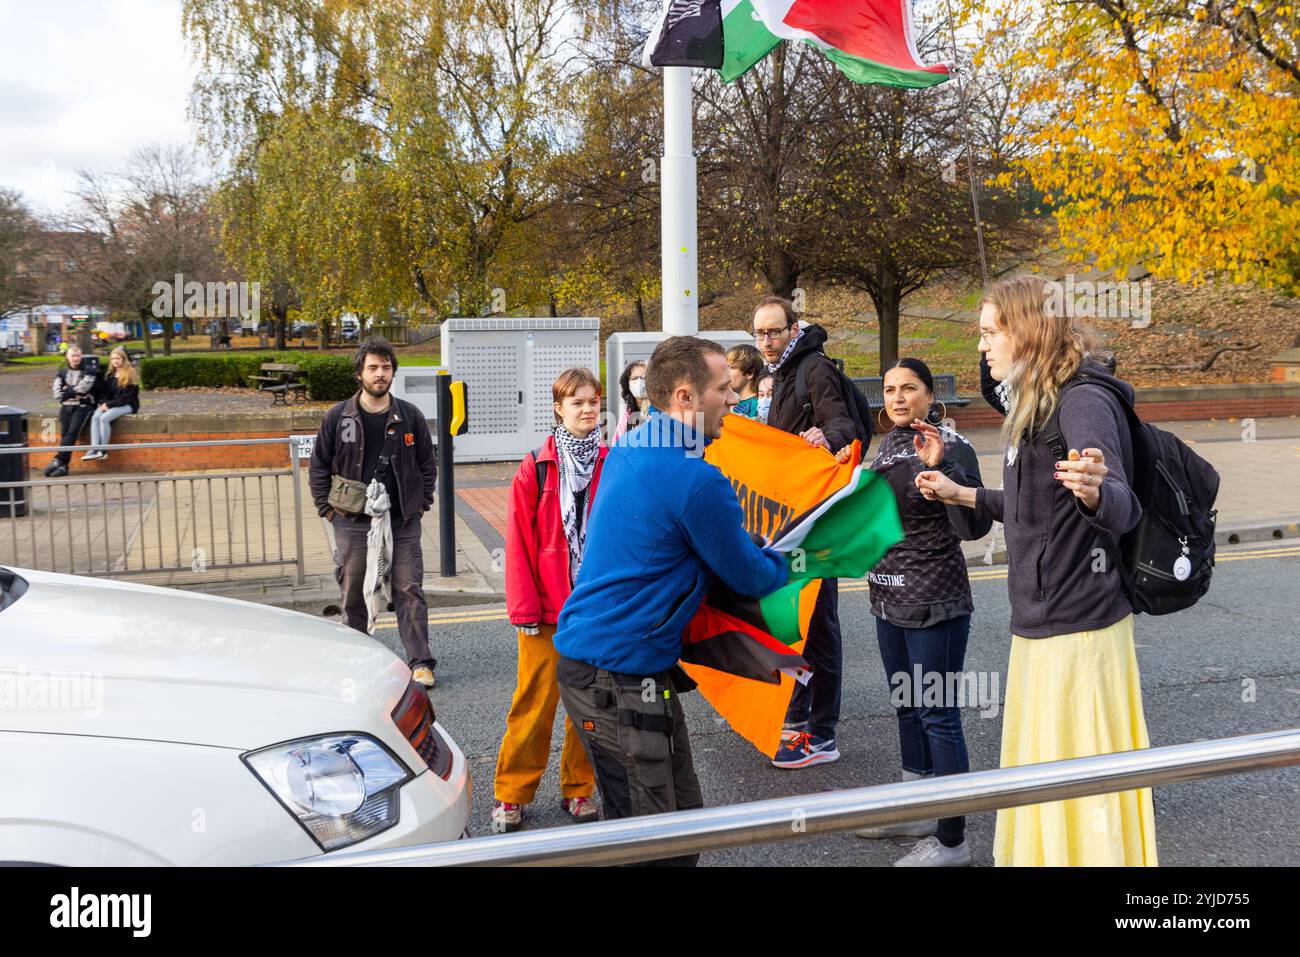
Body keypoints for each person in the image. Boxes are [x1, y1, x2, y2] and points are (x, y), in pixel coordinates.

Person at [916, 275, 1157, 867]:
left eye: (989, 333)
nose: (981, 347)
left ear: (1024, 331)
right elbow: (1031, 513)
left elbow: (1124, 506)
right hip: (1041, 625)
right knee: (1047, 781)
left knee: (1080, 787)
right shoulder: (1036, 401)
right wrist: (961, 491)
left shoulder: (1082, 400)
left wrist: (1099, 493)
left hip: (1079, 630)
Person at [553, 336, 789, 865]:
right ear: (686, 397)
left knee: (681, 825)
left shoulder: (632, 449)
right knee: (654, 844)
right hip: (616, 677)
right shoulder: (694, 478)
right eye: (724, 390)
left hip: (615, 669)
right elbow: (750, 576)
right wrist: (799, 558)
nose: (735, 400)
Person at [853, 358, 991, 867]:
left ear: (930, 396)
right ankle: (916, 807)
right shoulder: (885, 444)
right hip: (887, 598)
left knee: (938, 715)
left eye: (909, 388)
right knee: (906, 705)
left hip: (935, 601)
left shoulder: (952, 446)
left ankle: (953, 841)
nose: (897, 397)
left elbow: (973, 527)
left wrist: (942, 470)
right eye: (889, 389)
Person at [492, 368, 607, 833]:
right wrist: (523, 610)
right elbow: (518, 542)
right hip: (545, 613)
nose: (587, 409)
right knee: (534, 705)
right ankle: (511, 794)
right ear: (558, 408)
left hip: (594, 609)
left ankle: (578, 790)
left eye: (593, 402)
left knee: (590, 708)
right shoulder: (535, 467)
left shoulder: (609, 461)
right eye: (576, 402)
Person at [752, 295, 856, 768]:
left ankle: (821, 733)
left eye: (774, 331)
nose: (766, 341)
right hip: (784, 518)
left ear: (794, 328)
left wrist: (827, 437)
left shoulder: (813, 367)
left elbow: (843, 424)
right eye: (759, 333)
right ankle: (793, 721)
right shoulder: (775, 374)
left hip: (813, 520)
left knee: (819, 626)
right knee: (790, 621)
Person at [309, 337, 439, 687]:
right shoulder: (338, 417)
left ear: (393, 372)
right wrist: (328, 509)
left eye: (386, 367)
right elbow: (319, 466)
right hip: (351, 521)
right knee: (353, 590)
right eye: (373, 368)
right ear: (359, 374)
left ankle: (421, 662)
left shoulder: (409, 416)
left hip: (403, 520)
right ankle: (358, 659)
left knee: (409, 589)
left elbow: (428, 463)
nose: (380, 374)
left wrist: (421, 502)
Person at [44, 345, 102, 477]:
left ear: (81, 357)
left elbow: (84, 389)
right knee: (65, 435)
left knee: (72, 434)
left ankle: (59, 459)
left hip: (83, 406)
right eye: (73, 356)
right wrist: (72, 391)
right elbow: (57, 394)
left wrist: (67, 389)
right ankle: (64, 466)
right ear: (67, 357)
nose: (75, 358)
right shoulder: (62, 373)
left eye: (78, 356)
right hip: (65, 407)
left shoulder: (89, 371)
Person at [83, 347, 140, 462]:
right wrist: (103, 403)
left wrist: (109, 405)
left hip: (128, 405)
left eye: (118, 358)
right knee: (95, 417)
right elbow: (104, 394)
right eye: (113, 359)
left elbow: (126, 397)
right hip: (110, 404)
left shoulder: (130, 373)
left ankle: (103, 451)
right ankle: (94, 449)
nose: (115, 361)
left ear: (123, 359)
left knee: (104, 418)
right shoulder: (109, 375)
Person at [612, 360, 649, 441]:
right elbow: (617, 443)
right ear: (627, 383)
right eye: (634, 378)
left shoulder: (660, 412)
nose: (639, 382)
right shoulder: (626, 416)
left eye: (644, 378)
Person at [726, 343, 765, 419]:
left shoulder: (758, 406)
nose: (725, 372)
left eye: (732, 367)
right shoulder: (734, 402)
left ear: (750, 373)